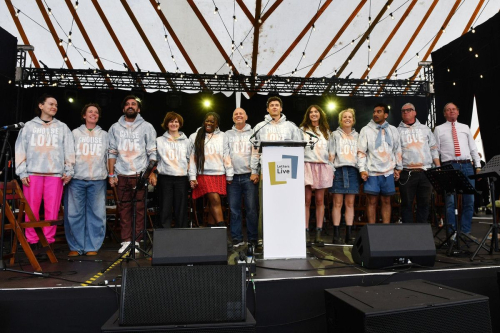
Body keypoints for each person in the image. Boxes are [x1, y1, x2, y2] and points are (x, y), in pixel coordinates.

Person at [15, 94, 75, 245]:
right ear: (41, 106)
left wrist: (69, 170)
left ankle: (48, 240)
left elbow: (69, 151)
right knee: (31, 210)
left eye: (56, 105)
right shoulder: (29, 126)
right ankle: (32, 240)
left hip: (55, 174)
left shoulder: (62, 127)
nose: (54, 107)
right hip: (32, 173)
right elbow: (20, 149)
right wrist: (22, 172)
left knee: (52, 210)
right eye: (51, 104)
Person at [250, 96, 302, 246]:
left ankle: (285, 235)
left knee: (285, 204)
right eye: (271, 105)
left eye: (276, 105)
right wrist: (254, 170)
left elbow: (298, 147)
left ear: (281, 108)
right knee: (266, 205)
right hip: (266, 170)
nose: (274, 107)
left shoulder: (291, 126)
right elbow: (254, 151)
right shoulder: (260, 127)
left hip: (287, 170)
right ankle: (263, 237)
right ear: (267, 109)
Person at [108, 95, 157, 254]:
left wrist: (150, 173)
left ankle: (136, 241)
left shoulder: (147, 127)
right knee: (124, 209)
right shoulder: (115, 127)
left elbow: (152, 153)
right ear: (123, 109)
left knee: (140, 209)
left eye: (133, 104)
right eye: (127, 104)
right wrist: (111, 174)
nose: (130, 106)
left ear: (138, 109)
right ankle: (126, 240)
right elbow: (112, 153)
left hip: (140, 174)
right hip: (122, 173)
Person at [64, 103, 108, 256]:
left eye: (96, 112)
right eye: (90, 111)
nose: (93, 114)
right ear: (84, 115)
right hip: (77, 178)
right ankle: (76, 246)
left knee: (96, 214)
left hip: (98, 179)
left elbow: (109, 156)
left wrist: (111, 174)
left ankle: (92, 246)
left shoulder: (104, 135)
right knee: (74, 213)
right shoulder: (75, 133)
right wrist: (68, 171)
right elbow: (69, 154)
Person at [434, 102, 481, 239]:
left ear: (458, 112)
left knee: (469, 200)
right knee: (450, 201)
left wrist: (477, 166)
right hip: (450, 166)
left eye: (454, 109)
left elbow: (473, 148)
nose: (451, 111)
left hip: (467, 165)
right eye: (448, 110)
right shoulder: (439, 129)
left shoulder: (465, 127)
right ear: (444, 114)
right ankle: (452, 233)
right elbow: (435, 151)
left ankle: (465, 232)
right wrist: (438, 168)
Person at [189, 112, 233, 245]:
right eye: (207, 121)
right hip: (204, 174)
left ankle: (210, 238)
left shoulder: (223, 136)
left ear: (217, 124)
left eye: (212, 121)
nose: (209, 123)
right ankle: (222, 234)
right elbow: (192, 158)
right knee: (215, 200)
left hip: (219, 173)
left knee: (212, 204)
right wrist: (192, 176)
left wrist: (229, 173)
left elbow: (226, 154)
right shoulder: (195, 136)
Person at [357, 103, 402, 224]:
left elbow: (397, 150)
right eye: (374, 112)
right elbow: (361, 152)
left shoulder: (393, 130)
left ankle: (385, 230)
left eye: (379, 112)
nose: (375, 114)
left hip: (388, 171)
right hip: (372, 172)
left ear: (386, 115)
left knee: (387, 201)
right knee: (371, 201)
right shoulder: (366, 130)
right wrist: (362, 169)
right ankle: (372, 230)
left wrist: (398, 167)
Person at [397, 103, 440, 224]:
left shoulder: (425, 129)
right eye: (403, 110)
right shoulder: (397, 131)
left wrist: (438, 166)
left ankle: (422, 231)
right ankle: (409, 233)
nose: (406, 112)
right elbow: (395, 152)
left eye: (409, 110)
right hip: (406, 172)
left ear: (415, 112)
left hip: (425, 171)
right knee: (406, 203)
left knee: (424, 203)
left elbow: (433, 148)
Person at [300, 105, 334, 247]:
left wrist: (331, 168)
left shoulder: (326, 131)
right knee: (306, 200)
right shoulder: (302, 130)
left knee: (320, 200)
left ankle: (319, 233)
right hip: (307, 165)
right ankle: (305, 231)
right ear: (308, 115)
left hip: (322, 166)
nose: (314, 114)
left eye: (316, 112)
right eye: (311, 112)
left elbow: (331, 152)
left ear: (320, 114)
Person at [226, 108, 258, 248]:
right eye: (236, 114)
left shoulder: (253, 133)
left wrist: (255, 171)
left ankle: (253, 239)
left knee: (251, 209)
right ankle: (237, 239)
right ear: (233, 118)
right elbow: (225, 154)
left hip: (249, 176)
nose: (238, 115)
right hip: (232, 178)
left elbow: (256, 153)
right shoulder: (227, 134)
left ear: (246, 116)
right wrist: (228, 173)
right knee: (234, 210)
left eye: (241, 114)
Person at [156, 112, 191, 228]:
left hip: (181, 178)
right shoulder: (159, 140)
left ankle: (181, 235)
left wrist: (192, 177)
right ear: (167, 124)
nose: (174, 124)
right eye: (171, 121)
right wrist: (152, 174)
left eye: (176, 121)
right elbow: (154, 159)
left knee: (181, 208)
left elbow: (191, 160)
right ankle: (164, 236)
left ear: (180, 124)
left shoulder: (187, 141)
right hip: (165, 178)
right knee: (165, 207)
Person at [329, 108, 359, 244]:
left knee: (350, 203)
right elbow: (331, 154)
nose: (347, 119)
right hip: (338, 170)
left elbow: (361, 154)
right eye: (344, 117)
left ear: (353, 120)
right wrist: (331, 170)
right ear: (340, 120)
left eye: (350, 117)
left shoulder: (358, 136)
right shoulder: (334, 135)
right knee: (337, 203)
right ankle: (336, 234)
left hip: (353, 170)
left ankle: (349, 234)